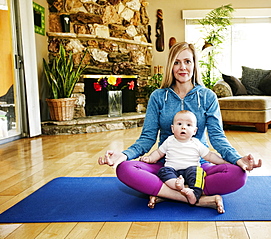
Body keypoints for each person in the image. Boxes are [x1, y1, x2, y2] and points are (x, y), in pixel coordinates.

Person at [98, 42, 262, 214]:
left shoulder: (207, 96)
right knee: (124, 168)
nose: (182, 67)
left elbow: (217, 138)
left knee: (238, 174)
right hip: (165, 167)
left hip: (198, 166)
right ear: (170, 66)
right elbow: (147, 138)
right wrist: (123, 155)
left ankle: (164, 194)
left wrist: (237, 159)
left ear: (194, 64)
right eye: (176, 62)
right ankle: (197, 199)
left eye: (187, 61)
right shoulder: (158, 97)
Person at [141, 110, 228, 205]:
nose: (183, 127)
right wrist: (149, 158)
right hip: (172, 170)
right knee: (163, 171)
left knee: (199, 173)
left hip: (191, 169)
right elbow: (158, 153)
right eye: (179, 124)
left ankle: (194, 194)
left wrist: (223, 162)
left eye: (188, 125)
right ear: (173, 128)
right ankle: (176, 184)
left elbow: (210, 156)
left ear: (194, 131)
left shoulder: (196, 143)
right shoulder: (169, 140)